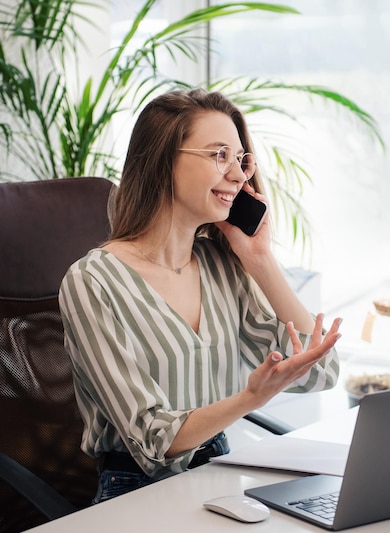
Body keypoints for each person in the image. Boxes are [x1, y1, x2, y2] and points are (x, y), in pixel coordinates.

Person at [59, 88, 342, 503]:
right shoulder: (93, 282)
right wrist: (253, 397)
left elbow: (321, 372)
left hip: (220, 478)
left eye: (241, 159)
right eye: (219, 155)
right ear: (163, 161)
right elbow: (153, 443)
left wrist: (262, 261)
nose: (239, 175)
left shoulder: (221, 265)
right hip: (135, 494)